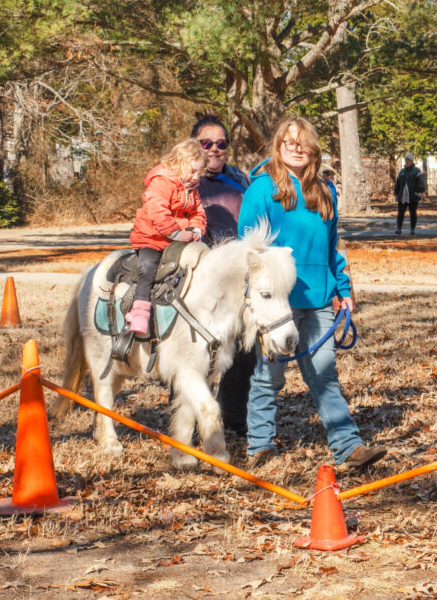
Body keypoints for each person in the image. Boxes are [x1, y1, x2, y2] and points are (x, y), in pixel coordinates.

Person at [238, 117, 386, 472]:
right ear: (278, 146)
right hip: (279, 302)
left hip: (319, 299)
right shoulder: (261, 189)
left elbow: (334, 246)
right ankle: (259, 445)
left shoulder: (325, 190)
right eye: (288, 142)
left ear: (313, 148)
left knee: (323, 373)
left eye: (302, 142)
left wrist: (343, 289)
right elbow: (249, 249)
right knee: (268, 377)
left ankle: (348, 448)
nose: (296, 148)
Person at [191, 113, 256, 434]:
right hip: (200, 278)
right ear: (195, 146)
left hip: (240, 277)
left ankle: (234, 420)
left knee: (244, 350)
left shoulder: (241, 179)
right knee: (196, 353)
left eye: (221, 144)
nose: (214, 149)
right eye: (206, 143)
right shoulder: (184, 179)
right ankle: (189, 420)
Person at [128, 139, 208, 336]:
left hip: (177, 240)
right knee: (147, 268)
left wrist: (196, 230)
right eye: (192, 171)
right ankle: (140, 312)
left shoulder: (191, 188)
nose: (195, 177)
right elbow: (158, 212)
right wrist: (178, 233)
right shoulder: (162, 182)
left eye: (199, 173)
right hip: (152, 239)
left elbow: (198, 214)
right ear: (178, 164)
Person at [394, 153, 425, 235]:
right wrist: (396, 193)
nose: (407, 161)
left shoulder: (417, 171)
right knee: (400, 213)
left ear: (411, 161)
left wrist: (420, 191)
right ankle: (399, 229)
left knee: (413, 213)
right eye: (406, 160)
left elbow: (421, 183)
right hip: (402, 196)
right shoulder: (402, 171)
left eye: (408, 160)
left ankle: (412, 229)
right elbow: (397, 183)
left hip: (413, 196)